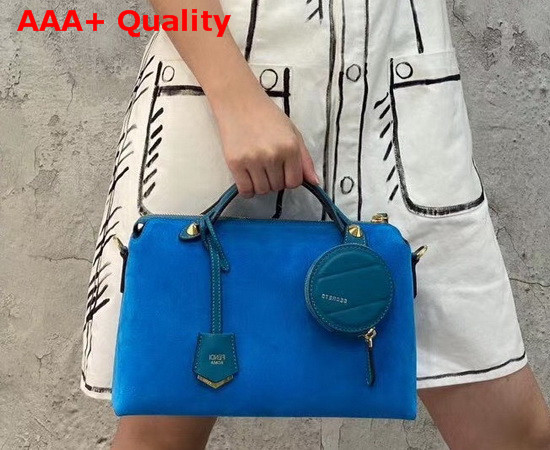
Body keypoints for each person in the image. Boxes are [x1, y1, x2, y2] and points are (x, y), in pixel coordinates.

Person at [80, 0, 550, 448]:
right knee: (163, 431)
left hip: (401, 117)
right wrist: (238, 101)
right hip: (228, 103)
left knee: (513, 434)